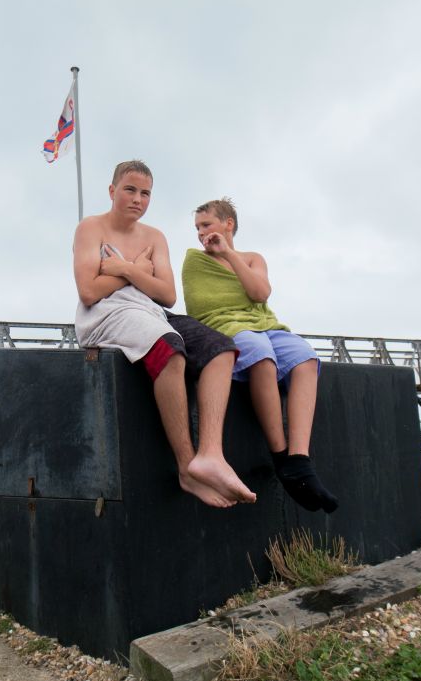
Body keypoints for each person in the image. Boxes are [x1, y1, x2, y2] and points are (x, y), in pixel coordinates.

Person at [73, 161, 256, 509]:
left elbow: (167, 294)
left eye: (145, 193)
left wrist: (126, 268)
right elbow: (89, 291)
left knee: (220, 348)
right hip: (107, 313)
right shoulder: (90, 228)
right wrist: (140, 272)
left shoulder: (154, 236)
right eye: (130, 189)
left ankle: (211, 454)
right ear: (112, 191)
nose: (137, 199)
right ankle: (187, 467)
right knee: (169, 348)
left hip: (152, 310)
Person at [182, 197, 338, 514]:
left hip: (265, 324)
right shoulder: (194, 262)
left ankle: (299, 459)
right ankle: (280, 456)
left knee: (305, 357)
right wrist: (218, 257)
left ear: (228, 224)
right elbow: (201, 305)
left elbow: (260, 294)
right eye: (197, 228)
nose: (201, 233)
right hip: (224, 325)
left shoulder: (252, 258)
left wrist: (228, 254)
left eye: (207, 225)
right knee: (260, 354)